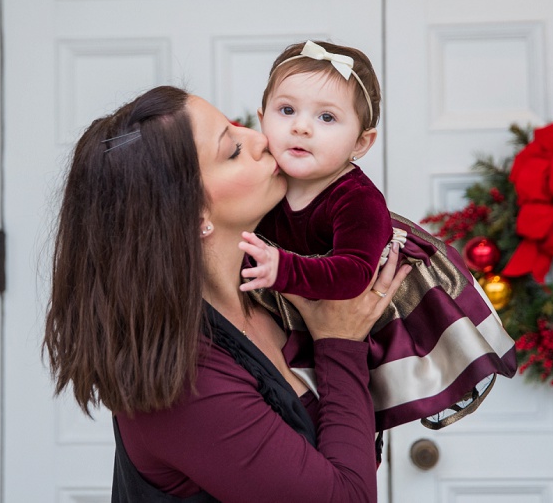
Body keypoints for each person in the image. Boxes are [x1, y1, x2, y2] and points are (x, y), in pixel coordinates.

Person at [44, 85, 411, 502]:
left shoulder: (272, 292)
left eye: (241, 128)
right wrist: (341, 342)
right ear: (193, 214)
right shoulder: (185, 385)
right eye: (233, 149)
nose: (262, 138)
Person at [239, 40, 517, 430]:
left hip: (377, 307)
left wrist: (282, 267)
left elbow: (353, 275)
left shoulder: (356, 199)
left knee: (351, 408)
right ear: (261, 118)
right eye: (286, 111)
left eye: (327, 118)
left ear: (361, 143)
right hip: (298, 304)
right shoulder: (262, 179)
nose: (300, 126)